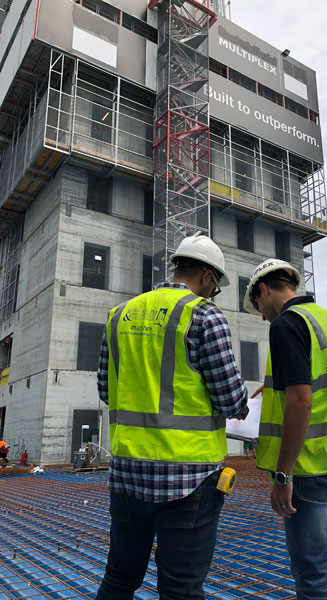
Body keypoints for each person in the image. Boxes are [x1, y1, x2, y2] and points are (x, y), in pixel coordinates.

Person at [96, 232, 248, 600]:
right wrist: (243, 404)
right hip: (189, 477)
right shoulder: (204, 315)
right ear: (208, 278)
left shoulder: (119, 315)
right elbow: (230, 400)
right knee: (181, 587)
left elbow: (106, 390)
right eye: (215, 288)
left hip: (128, 471)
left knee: (119, 578)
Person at [243, 258, 327, 600]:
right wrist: (276, 388)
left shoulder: (286, 325)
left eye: (258, 306)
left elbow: (302, 402)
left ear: (264, 290)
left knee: (314, 573)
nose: (262, 316)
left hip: (311, 466)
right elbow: (325, 381)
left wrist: (283, 476)